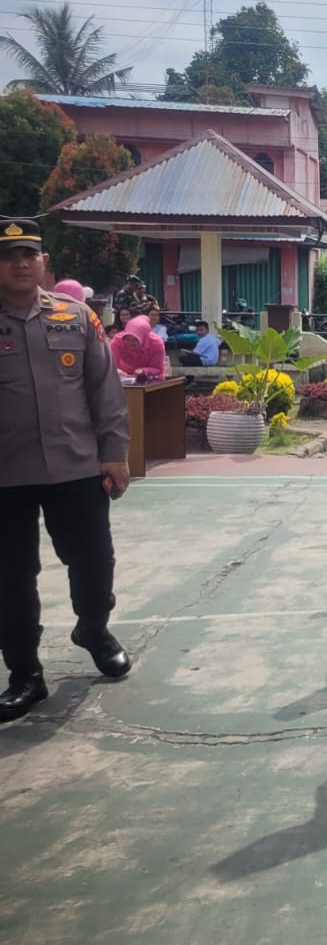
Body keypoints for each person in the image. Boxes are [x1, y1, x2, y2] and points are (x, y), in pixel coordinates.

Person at [0, 219, 132, 722]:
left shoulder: (76, 317)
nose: (20, 263)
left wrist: (114, 453)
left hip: (76, 466)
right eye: (9, 255)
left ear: (43, 263)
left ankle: (93, 628)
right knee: (11, 577)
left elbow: (106, 390)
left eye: (29, 254)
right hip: (5, 475)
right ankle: (25, 674)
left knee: (94, 560)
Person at [110, 314, 168, 380]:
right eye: (128, 338)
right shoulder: (117, 340)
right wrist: (117, 371)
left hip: (149, 380)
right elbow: (110, 364)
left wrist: (145, 371)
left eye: (135, 339)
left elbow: (158, 369)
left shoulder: (156, 343)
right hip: (123, 378)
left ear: (143, 337)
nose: (130, 342)